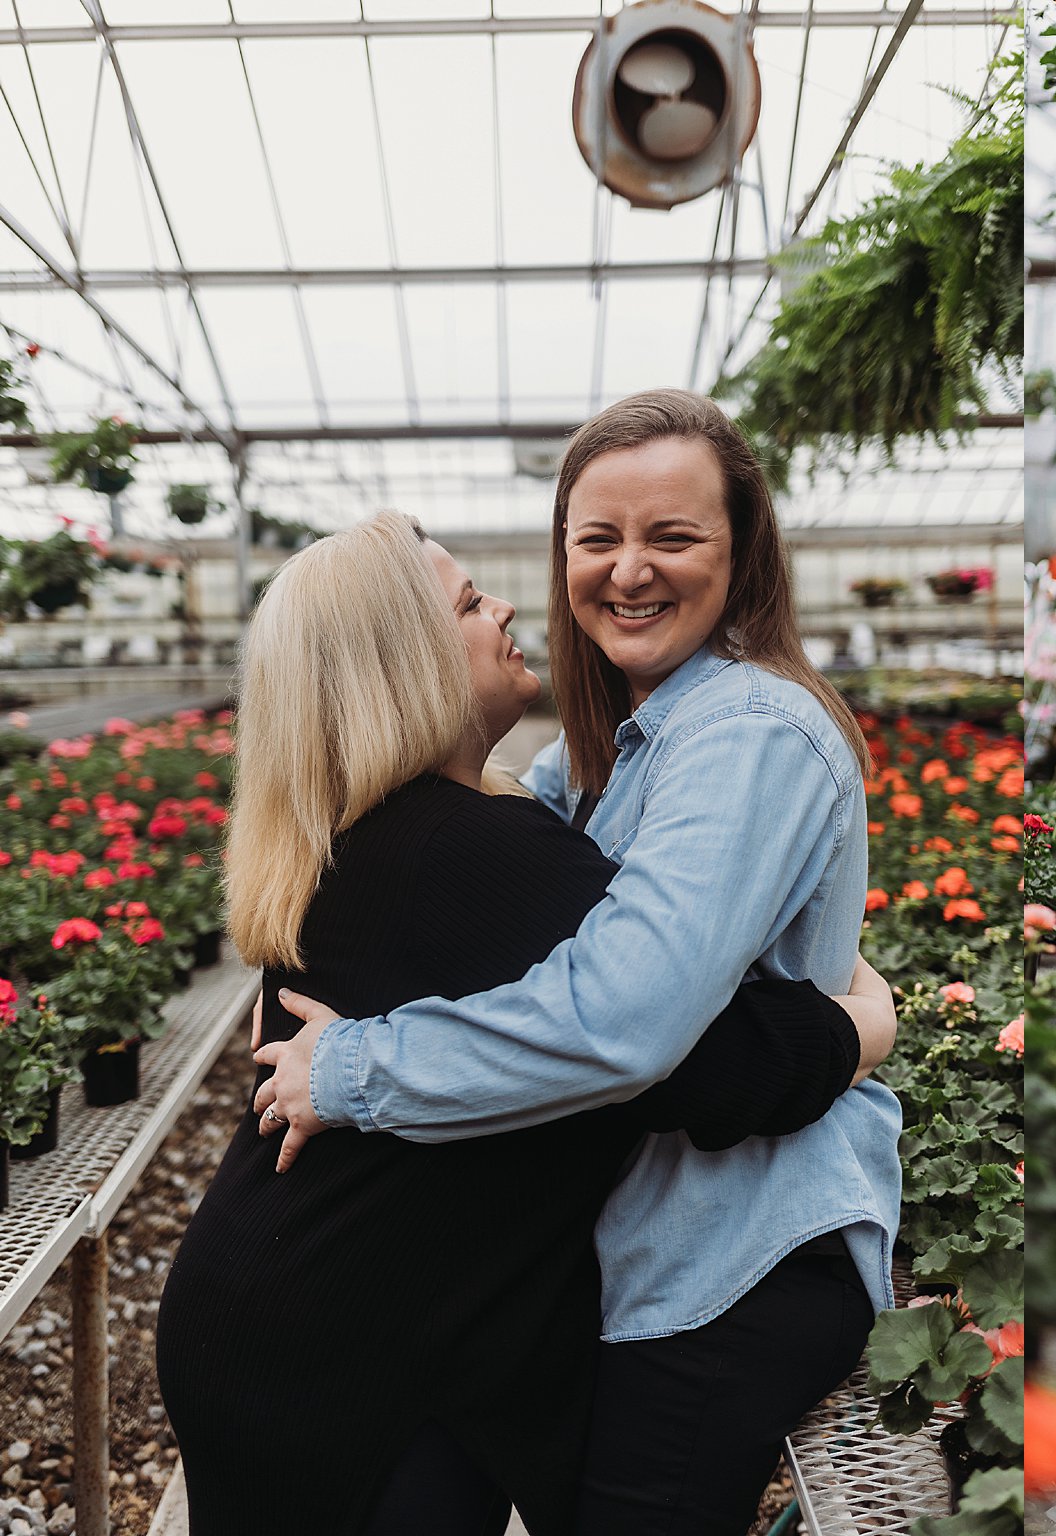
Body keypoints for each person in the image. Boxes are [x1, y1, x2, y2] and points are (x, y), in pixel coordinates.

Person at [156, 513, 892, 1536]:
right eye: (466, 603)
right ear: (402, 667)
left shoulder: (363, 836)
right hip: (356, 1364)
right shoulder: (468, 851)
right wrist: (863, 1022)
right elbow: (704, 1062)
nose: (502, 606)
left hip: (275, 1316)